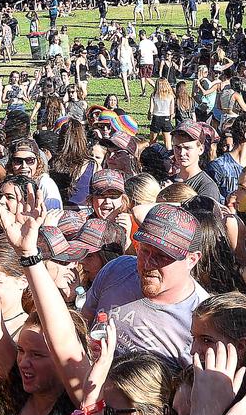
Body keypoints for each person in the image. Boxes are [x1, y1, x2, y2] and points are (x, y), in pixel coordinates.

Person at [82, 204, 209, 365]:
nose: (148, 263)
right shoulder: (116, 270)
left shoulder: (202, 319)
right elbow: (82, 325)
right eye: (144, 251)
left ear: (191, 260)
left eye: (161, 256)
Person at [171, 121, 221, 207]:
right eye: (177, 147)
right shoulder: (168, 182)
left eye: (187, 148)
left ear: (200, 149)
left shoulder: (207, 187)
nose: (182, 153)